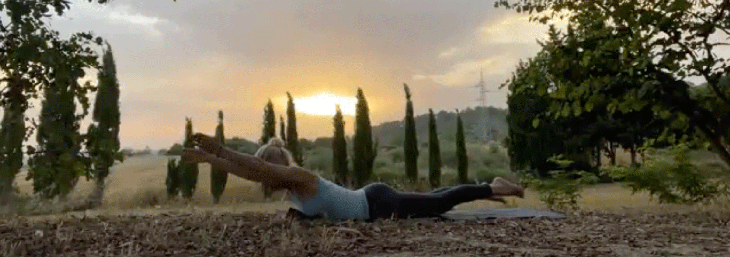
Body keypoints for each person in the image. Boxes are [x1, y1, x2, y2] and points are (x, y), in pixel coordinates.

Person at [182, 133, 524, 222]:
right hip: (373, 200)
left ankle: (492, 186)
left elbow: (257, 169)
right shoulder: (292, 192)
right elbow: (252, 171)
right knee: (435, 197)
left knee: (438, 204)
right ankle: (488, 188)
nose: (264, 182)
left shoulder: (299, 178)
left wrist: (221, 152)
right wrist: (211, 159)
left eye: (268, 174)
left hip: (377, 203)